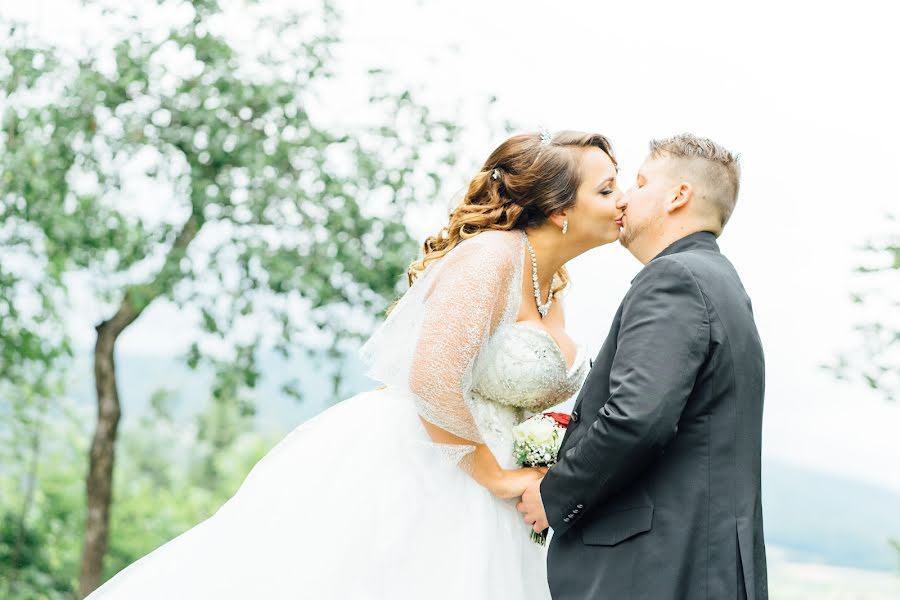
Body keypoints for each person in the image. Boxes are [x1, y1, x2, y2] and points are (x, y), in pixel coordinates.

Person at [85, 130, 623, 599]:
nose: (623, 200)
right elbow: (433, 380)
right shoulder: (493, 257)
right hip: (431, 464)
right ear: (559, 209)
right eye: (606, 189)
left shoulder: (552, 281)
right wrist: (499, 476)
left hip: (493, 480)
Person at [518, 133, 768, 599]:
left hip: (650, 570)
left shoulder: (675, 279)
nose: (625, 198)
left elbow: (638, 418)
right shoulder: (723, 284)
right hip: (700, 566)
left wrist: (554, 497)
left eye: (639, 182)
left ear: (678, 196)